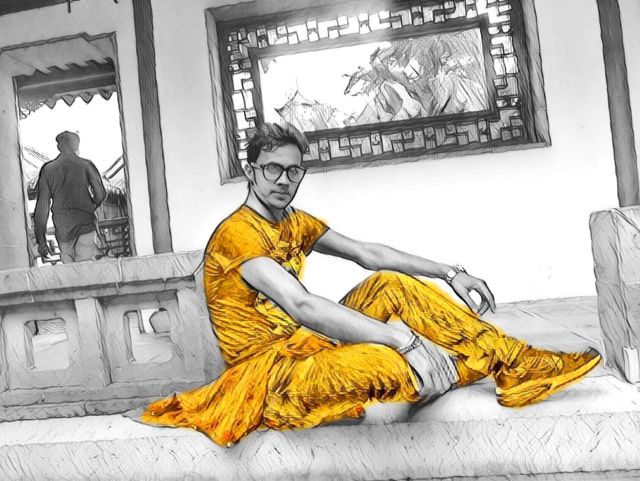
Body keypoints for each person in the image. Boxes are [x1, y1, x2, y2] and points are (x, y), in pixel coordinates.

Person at [138, 122, 601, 447]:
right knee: (393, 361)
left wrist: (449, 271)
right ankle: (467, 361)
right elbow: (302, 305)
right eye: (272, 169)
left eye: (294, 170)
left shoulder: (293, 220)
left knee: (388, 284)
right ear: (251, 171)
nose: (284, 180)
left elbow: (366, 253)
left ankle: (517, 365)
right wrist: (403, 339)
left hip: (307, 346)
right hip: (272, 378)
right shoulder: (237, 234)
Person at [34, 131, 106, 263]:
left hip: (63, 228)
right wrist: (91, 206)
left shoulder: (48, 170)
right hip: (85, 224)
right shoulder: (86, 165)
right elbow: (100, 194)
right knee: (85, 265)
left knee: (69, 269)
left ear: (59, 147)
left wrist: (41, 240)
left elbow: (42, 207)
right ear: (76, 146)